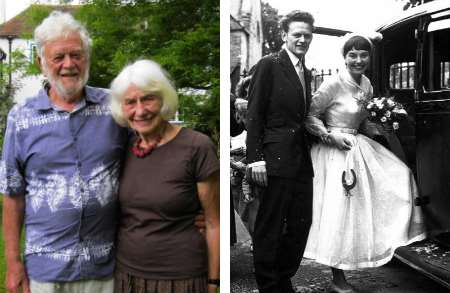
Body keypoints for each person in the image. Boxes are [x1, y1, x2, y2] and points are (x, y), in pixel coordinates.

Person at [1, 11, 128, 293]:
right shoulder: (20, 118)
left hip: (106, 268)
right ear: (41, 63)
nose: (69, 65)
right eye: (58, 57)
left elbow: (151, 157)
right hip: (45, 273)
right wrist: (13, 264)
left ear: (87, 59)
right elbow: (12, 195)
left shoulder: (115, 109)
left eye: (76, 55)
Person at [303, 33, 427, 293]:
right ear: (344, 57)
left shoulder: (367, 84)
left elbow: (361, 121)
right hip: (335, 150)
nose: (358, 60)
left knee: (400, 176)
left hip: (359, 145)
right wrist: (329, 136)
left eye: (363, 55)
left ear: (369, 57)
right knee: (341, 210)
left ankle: (386, 245)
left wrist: (380, 127)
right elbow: (310, 116)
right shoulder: (332, 84)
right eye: (353, 55)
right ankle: (338, 276)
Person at [109, 59, 220, 293]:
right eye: (130, 102)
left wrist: (214, 283)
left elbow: (213, 222)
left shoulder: (197, 146)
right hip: (126, 276)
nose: (140, 110)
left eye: (148, 98)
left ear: (164, 99)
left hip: (180, 279)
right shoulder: (123, 148)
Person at [245, 10, 314, 293]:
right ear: (284, 35)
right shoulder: (269, 65)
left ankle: (282, 276)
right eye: (296, 34)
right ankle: (271, 286)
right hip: (273, 160)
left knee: (301, 224)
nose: (302, 39)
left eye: (307, 35)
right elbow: (254, 115)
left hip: (300, 161)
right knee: (270, 227)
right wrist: (256, 159)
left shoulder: (306, 72)